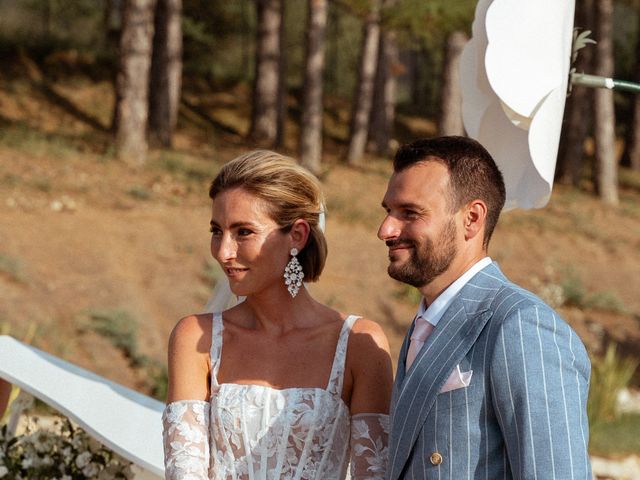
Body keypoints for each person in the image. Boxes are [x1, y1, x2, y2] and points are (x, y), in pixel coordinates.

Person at [162, 150, 393, 479]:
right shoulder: (195, 337)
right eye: (217, 231)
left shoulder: (359, 344)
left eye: (243, 232)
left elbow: (375, 474)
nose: (224, 252)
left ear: (297, 235)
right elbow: (184, 473)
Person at [378, 136, 591, 479]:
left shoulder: (522, 326)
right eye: (389, 211)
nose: (386, 230)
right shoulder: (424, 325)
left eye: (410, 213)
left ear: (472, 219)